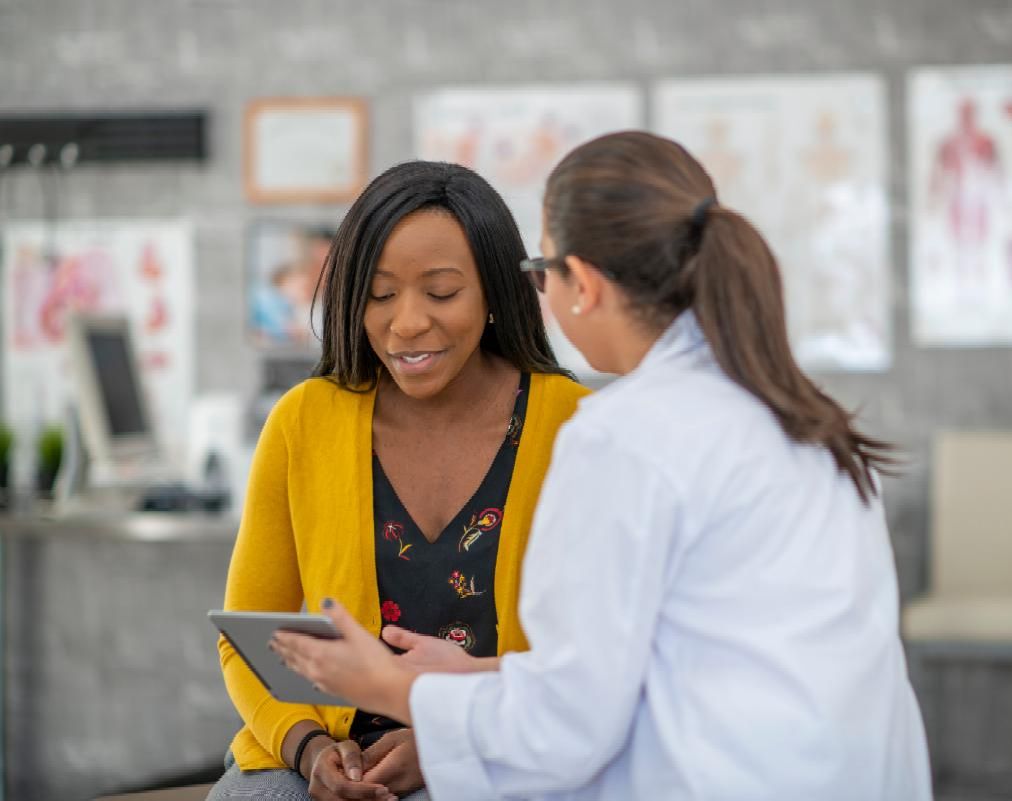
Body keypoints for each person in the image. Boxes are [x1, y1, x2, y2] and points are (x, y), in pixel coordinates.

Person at [272, 131, 933, 801]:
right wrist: (481, 674)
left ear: (580, 284)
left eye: (543, 272)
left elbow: (560, 733)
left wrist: (386, 685)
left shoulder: (617, 437)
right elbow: (686, 655)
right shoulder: (805, 416)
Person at [208, 160, 589, 801]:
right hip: (323, 749)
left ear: (495, 292)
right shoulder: (303, 421)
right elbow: (248, 638)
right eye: (380, 295)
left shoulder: (575, 426)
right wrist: (309, 750)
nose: (406, 323)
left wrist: (449, 738)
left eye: (441, 292)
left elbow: (594, 658)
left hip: (502, 742)